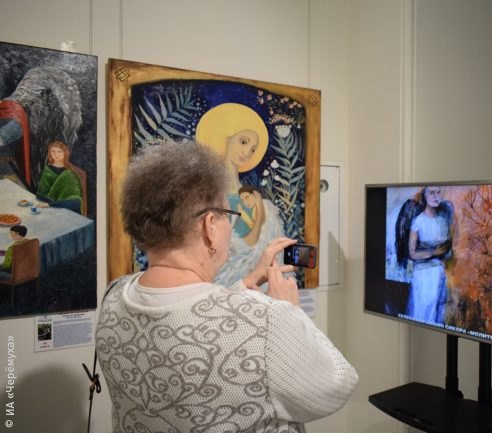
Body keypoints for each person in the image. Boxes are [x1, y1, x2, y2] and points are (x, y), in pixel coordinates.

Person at [95, 140, 357, 433]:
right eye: (228, 217)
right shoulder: (266, 318)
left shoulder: (114, 295)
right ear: (209, 225)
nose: (231, 229)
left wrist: (246, 282)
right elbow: (336, 386)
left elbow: (189, 318)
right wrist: (289, 312)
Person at [195, 103, 286, 286]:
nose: (247, 152)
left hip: (256, 293)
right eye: (243, 142)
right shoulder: (202, 199)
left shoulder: (259, 203)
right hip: (214, 292)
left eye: (253, 149)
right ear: (228, 139)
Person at [395, 186, 453, 325]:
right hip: (422, 274)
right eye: (431, 193)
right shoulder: (418, 221)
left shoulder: (442, 221)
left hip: (438, 272)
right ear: (425, 197)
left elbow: (446, 248)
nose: (436, 196)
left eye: (438, 192)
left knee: (435, 311)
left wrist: (439, 252)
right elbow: (412, 253)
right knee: (421, 311)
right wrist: (433, 252)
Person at [35, 140, 83, 214]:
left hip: (67, 210)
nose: (56, 154)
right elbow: (41, 194)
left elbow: (76, 202)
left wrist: (50, 204)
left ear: (65, 153)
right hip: (48, 208)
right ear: (49, 153)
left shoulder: (70, 173)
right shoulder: (47, 170)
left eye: (59, 151)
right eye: (53, 151)